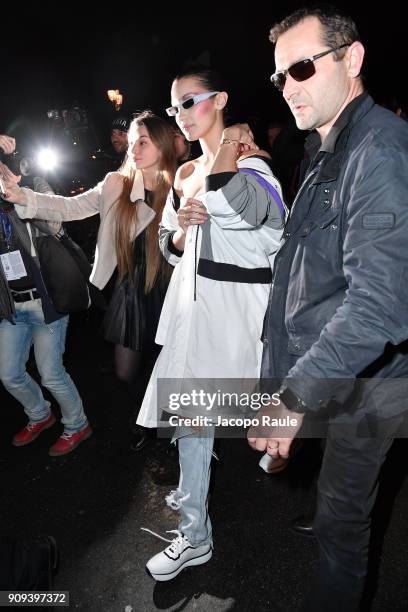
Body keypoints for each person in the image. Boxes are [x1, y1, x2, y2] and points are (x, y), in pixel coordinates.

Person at [247, 5, 408, 611]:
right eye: (280, 76)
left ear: (353, 59)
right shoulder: (326, 147)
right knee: (338, 515)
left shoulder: (381, 150)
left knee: (342, 531)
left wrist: (293, 398)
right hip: (336, 376)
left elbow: (378, 306)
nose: (289, 87)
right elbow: (304, 277)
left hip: (373, 388)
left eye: (303, 68)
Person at [136, 66, 285, 581]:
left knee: (261, 421)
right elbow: (170, 242)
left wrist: (228, 162)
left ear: (219, 99)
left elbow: (270, 234)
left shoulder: (253, 165)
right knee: (191, 423)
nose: (180, 114)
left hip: (239, 313)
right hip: (191, 313)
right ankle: (194, 534)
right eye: (174, 106)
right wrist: (182, 235)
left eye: (190, 101)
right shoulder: (182, 173)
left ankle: (299, 460)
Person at [0, 112, 177, 452]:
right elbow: (71, 206)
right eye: (132, 142)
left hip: (173, 288)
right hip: (132, 289)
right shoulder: (117, 183)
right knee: (127, 370)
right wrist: (24, 197)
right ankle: (153, 418)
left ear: (163, 144)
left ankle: (171, 430)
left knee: (170, 364)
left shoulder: (182, 183)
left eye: (143, 142)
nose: (134, 149)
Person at [0, 136, 92, 457]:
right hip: (12, 305)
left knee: (51, 373)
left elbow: (55, 222)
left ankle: (77, 424)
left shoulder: (34, 183)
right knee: (9, 374)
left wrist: (18, 194)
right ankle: (40, 415)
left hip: (46, 301)